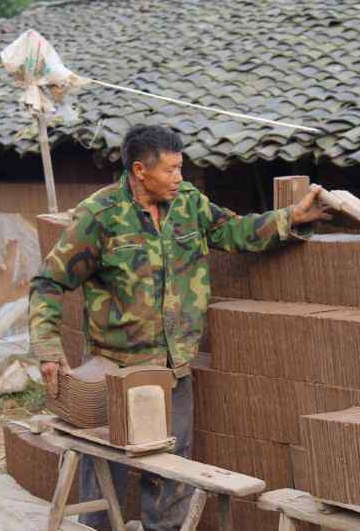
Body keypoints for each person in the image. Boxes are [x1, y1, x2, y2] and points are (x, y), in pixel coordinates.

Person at [29, 124, 329, 531]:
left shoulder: (189, 203)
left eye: (180, 168)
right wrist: (48, 350)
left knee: (171, 470)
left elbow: (232, 230)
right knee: (104, 473)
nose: (179, 178)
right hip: (116, 368)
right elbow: (49, 281)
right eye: (170, 170)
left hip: (174, 369)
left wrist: (291, 218)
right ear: (139, 170)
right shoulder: (100, 216)